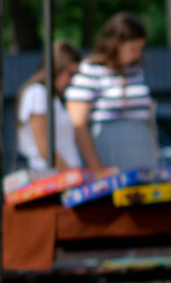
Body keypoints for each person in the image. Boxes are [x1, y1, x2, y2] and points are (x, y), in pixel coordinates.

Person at [64, 12, 158, 174]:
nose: (137, 54)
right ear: (115, 44)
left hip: (144, 156)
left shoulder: (136, 71)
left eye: (140, 49)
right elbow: (78, 124)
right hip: (108, 157)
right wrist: (97, 169)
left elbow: (148, 116)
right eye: (132, 49)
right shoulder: (90, 70)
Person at [15, 40, 83, 175]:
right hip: (48, 178)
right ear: (56, 68)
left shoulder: (54, 98)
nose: (71, 80)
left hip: (62, 176)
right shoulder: (37, 93)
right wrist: (70, 175)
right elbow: (44, 146)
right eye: (69, 73)